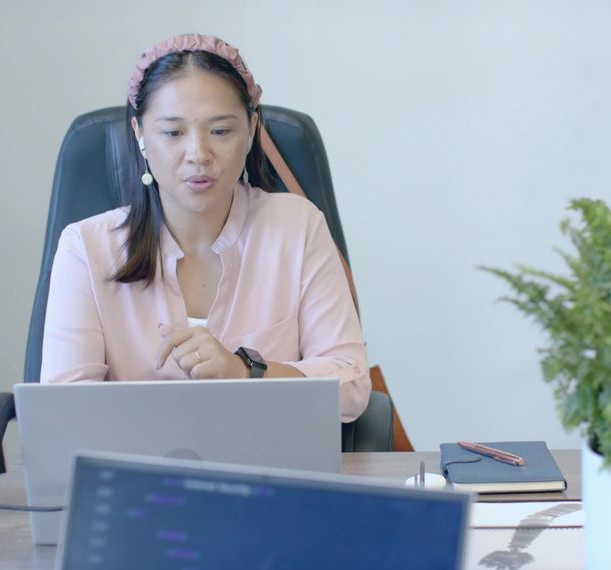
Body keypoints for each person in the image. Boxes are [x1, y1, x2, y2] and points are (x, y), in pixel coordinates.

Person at [39, 34, 370, 422]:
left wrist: (245, 372)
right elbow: (62, 412)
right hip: (137, 473)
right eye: (173, 133)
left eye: (220, 131)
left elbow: (351, 388)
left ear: (250, 129)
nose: (198, 154)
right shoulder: (86, 247)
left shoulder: (297, 226)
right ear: (140, 135)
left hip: (273, 469)